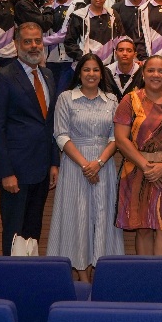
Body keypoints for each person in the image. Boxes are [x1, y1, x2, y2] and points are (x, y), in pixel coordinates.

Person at [47, 53, 124, 281]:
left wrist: (98, 163)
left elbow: (116, 137)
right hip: (75, 166)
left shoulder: (112, 100)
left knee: (102, 217)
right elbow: (61, 135)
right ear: (79, 73)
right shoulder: (66, 98)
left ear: (102, 74)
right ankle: (82, 276)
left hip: (103, 166)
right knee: (77, 218)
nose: (91, 74)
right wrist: (85, 165)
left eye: (96, 70)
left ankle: (99, 274)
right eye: (86, 69)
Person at [0, 22, 59, 256]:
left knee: (33, 233)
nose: (34, 46)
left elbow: (50, 124)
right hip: (15, 172)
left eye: (38, 40)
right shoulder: (3, 77)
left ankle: (30, 275)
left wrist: (54, 162)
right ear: (17, 44)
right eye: (27, 41)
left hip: (41, 170)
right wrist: (5, 172)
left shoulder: (48, 75)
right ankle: (10, 276)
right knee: (14, 234)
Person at [114, 55, 162, 255]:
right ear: (143, 73)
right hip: (137, 170)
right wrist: (145, 166)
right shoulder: (129, 100)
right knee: (143, 229)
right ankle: (145, 275)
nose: (155, 75)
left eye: (161, 71)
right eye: (151, 70)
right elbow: (121, 139)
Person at [64, 0, 125, 66]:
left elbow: (121, 37)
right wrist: (83, 58)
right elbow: (69, 43)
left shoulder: (113, 14)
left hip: (110, 66)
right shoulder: (79, 16)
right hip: (86, 66)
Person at [44, 0, 77, 92]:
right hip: (51, 59)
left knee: (64, 94)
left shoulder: (79, 4)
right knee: (51, 94)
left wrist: (41, 41)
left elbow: (68, 33)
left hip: (70, 59)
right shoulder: (49, 6)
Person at [105, 37, 144, 101]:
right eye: (121, 50)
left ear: (135, 55)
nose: (124, 53)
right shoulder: (106, 72)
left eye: (129, 51)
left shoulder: (142, 73)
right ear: (116, 53)